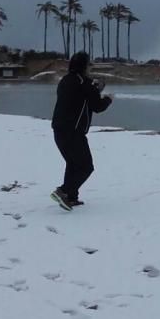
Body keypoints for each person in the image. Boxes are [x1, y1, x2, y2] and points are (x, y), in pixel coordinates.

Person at [50, 52, 113, 210]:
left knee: (73, 164)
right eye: (89, 64)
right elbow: (97, 106)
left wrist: (95, 89)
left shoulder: (65, 80)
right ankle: (63, 191)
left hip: (59, 130)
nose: (90, 67)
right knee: (86, 166)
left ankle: (71, 197)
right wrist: (108, 98)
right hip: (73, 131)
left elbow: (80, 98)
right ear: (84, 66)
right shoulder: (84, 82)